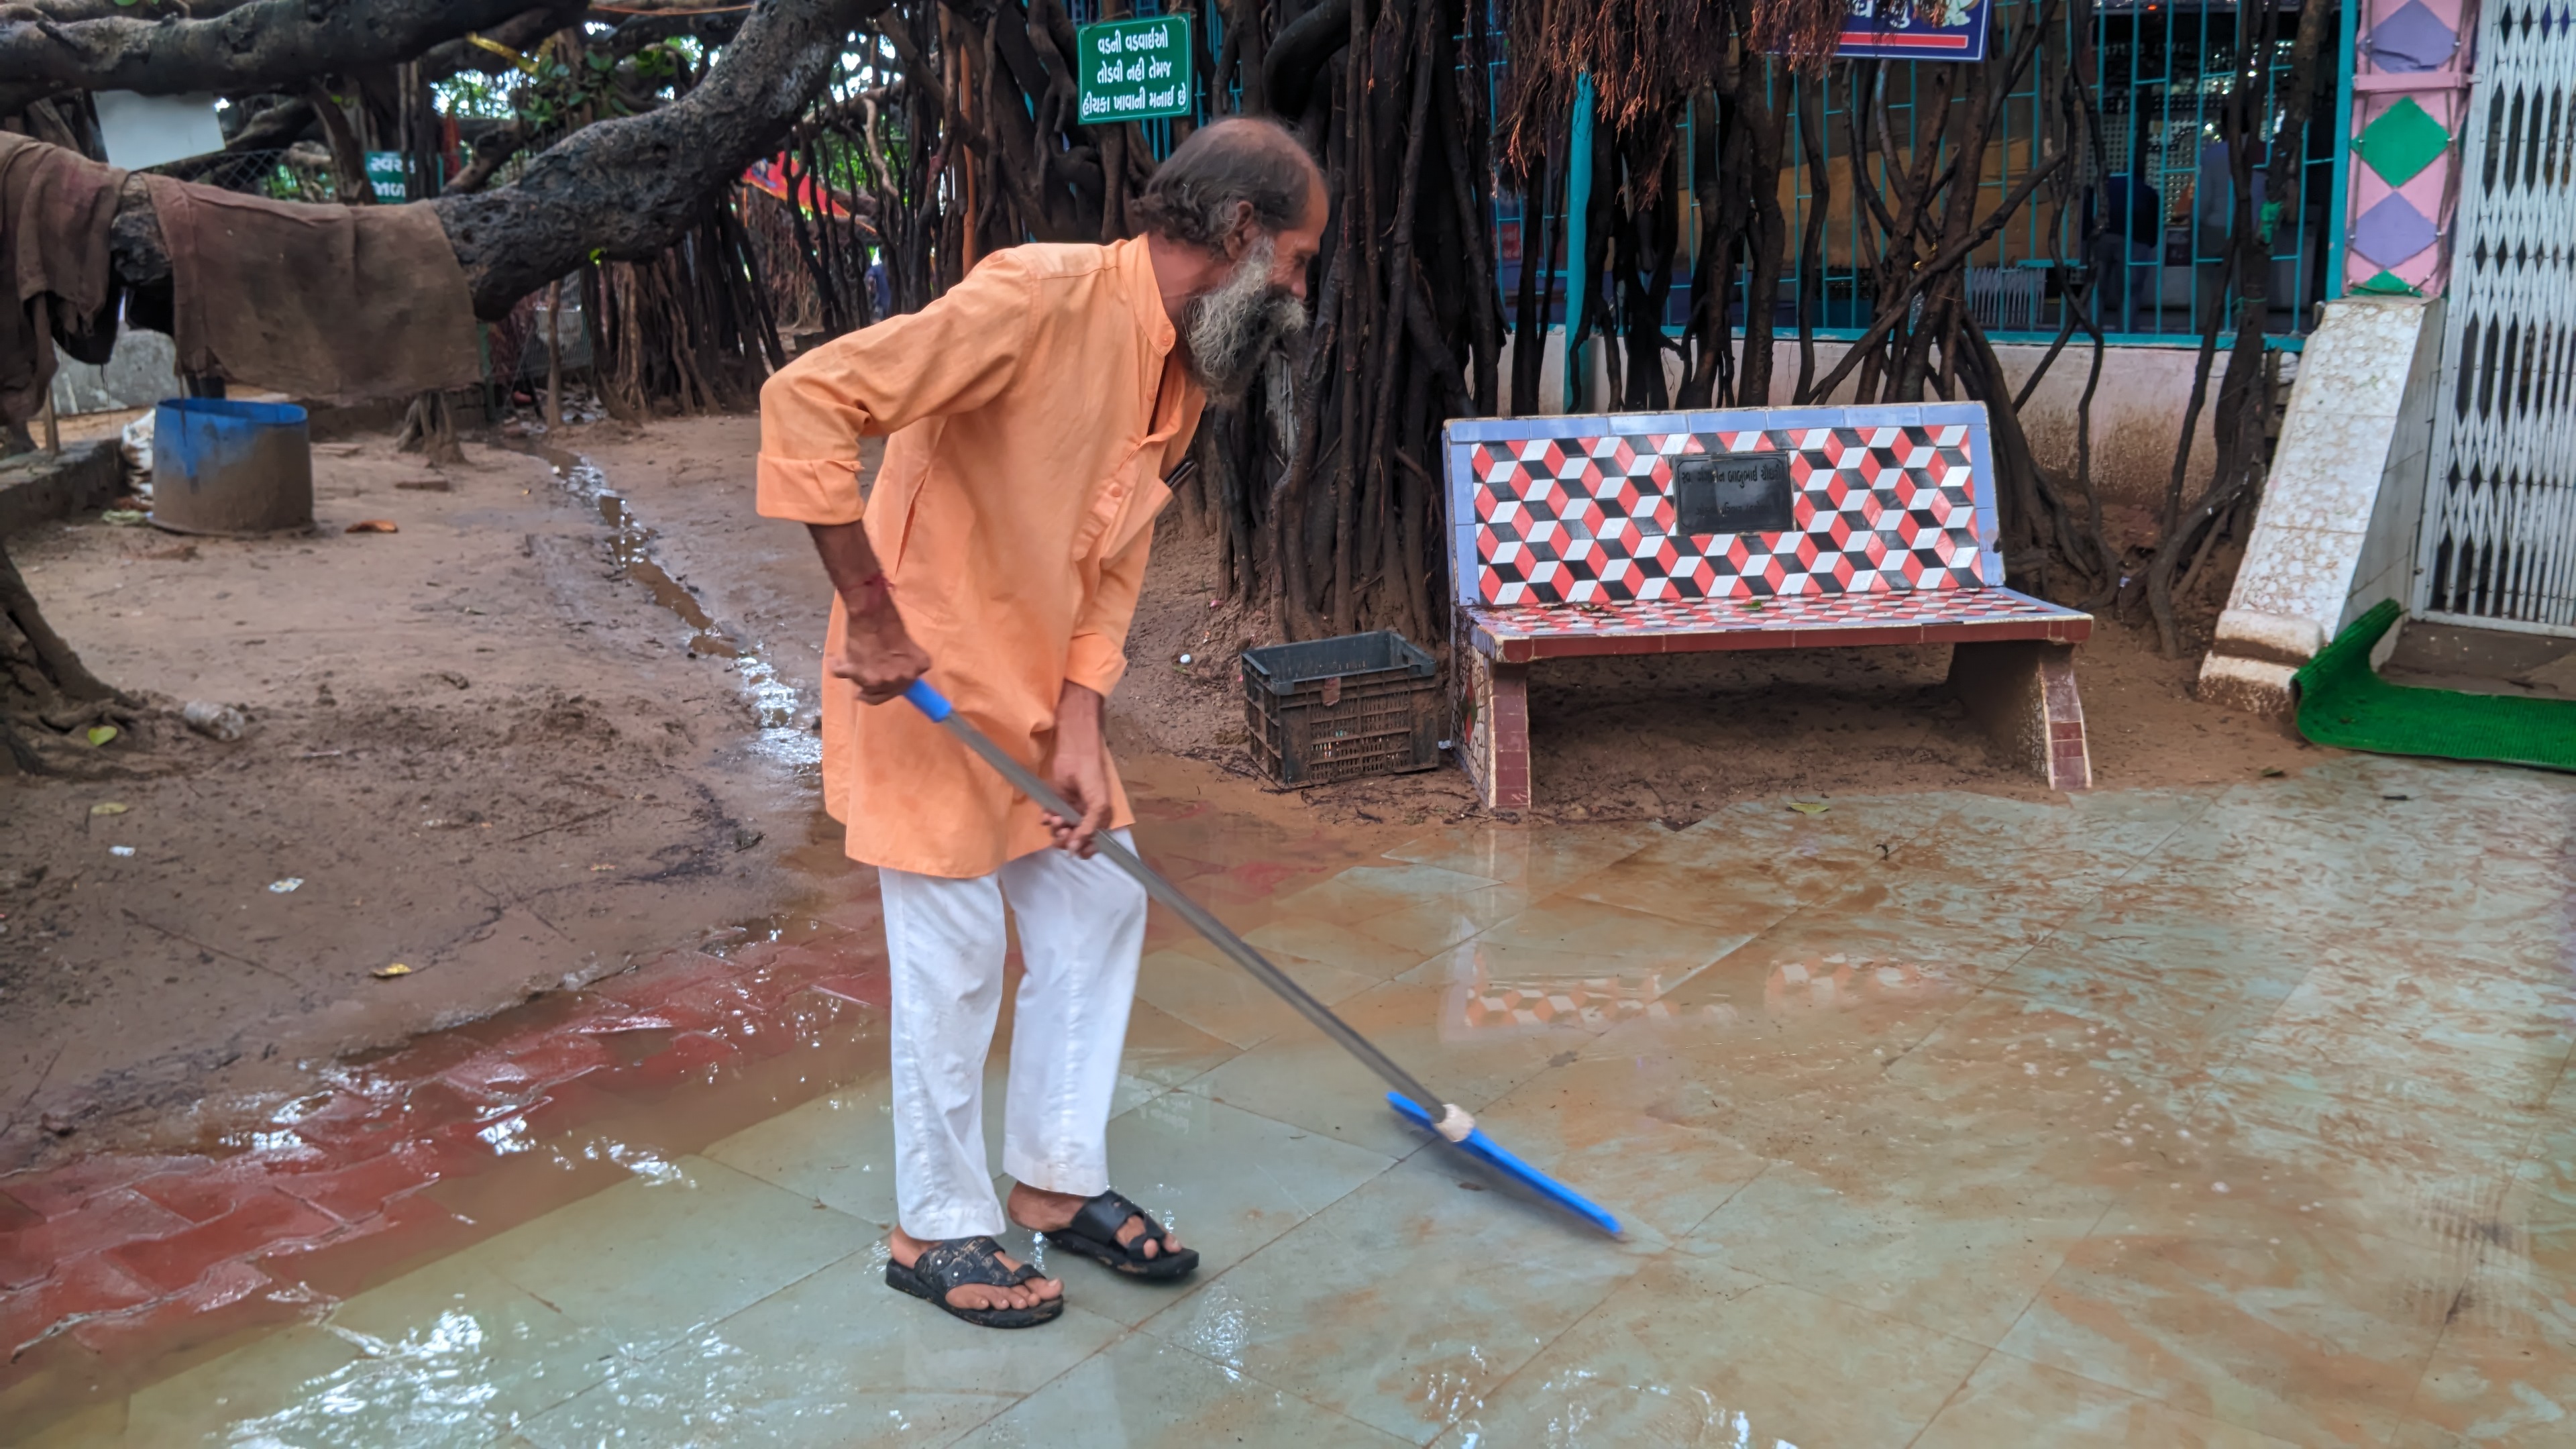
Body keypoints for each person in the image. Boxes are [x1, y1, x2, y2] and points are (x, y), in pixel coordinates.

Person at [754, 118, 1328, 1328]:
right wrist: (867, 609)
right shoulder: (1034, 298)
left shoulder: (1183, 366)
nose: (1300, 287)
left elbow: (1111, 563)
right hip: (924, 685)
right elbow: (807, 400)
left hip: (1035, 701)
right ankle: (936, 1231)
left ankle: (1055, 1188)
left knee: (1101, 895)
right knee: (955, 961)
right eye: (1296, 259)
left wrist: (1082, 720)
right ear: (1238, 234)